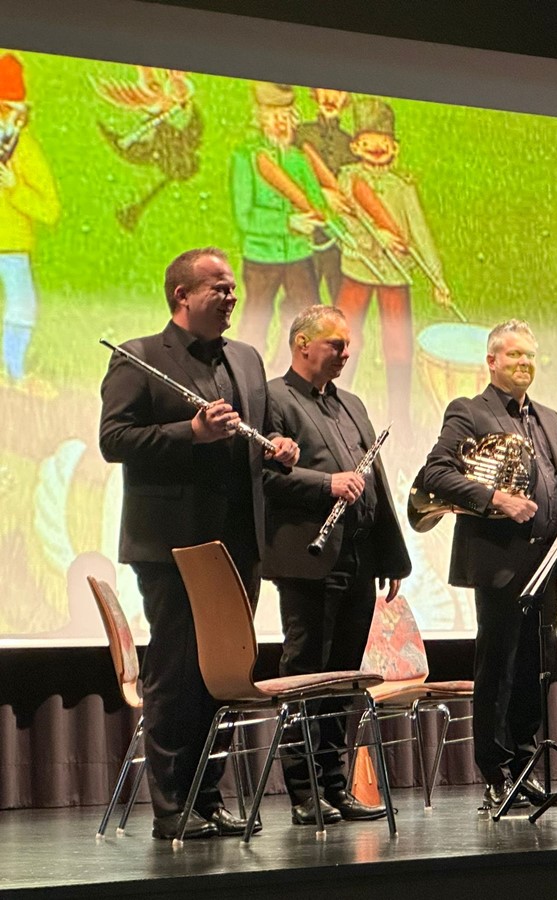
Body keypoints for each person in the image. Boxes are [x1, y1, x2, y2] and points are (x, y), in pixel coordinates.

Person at [99, 247, 300, 839]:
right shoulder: (138, 357)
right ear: (181, 295)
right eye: (219, 288)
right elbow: (115, 439)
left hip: (240, 547)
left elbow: (258, 436)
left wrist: (279, 449)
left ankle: (208, 798)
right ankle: (173, 808)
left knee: (224, 676)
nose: (231, 297)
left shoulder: (246, 358)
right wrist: (190, 431)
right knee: (178, 674)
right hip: (173, 547)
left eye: (233, 288)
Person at [420, 318, 557, 811]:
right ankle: (496, 773)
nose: (524, 363)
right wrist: (496, 499)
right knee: (499, 670)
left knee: (536, 669)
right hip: (499, 563)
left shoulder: (550, 419)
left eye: (530, 356)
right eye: (514, 355)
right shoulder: (469, 411)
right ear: (491, 361)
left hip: (547, 564)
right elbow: (435, 473)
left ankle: (524, 767)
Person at [262, 305, 412, 823]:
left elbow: (375, 480)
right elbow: (265, 478)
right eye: (335, 344)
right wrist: (326, 484)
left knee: (345, 680)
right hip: (307, 559)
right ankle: (304, 793)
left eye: (348, 345)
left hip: (358, 558)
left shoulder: (352, 404)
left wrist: (389, 554)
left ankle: (334, 784)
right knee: (306, 676)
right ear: (303, 344)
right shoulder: (273, 399)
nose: (346, 353)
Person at [335, 98, 451, 436]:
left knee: (398, 342)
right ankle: (332, 404)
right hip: (358, 269)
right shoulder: (347, 179)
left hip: (394, 274)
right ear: (356, 146)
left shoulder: (402, 188)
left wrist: (437, 279)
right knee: (345, 335)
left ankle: (400, 416)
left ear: (394, 148)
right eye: (368, 141)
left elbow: (420, 234)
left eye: (383, 141)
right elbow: (344, 221)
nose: (376, 147)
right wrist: (374, 237)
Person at [231, 82, 325, 371]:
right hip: (261, 255)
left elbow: (317, 202)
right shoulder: (245, 158)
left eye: (286, 116)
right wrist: (288, 222)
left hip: (299, 254)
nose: (281, 123)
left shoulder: (298, 160)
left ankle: (295, 372)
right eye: (274, 117)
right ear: (261, 119)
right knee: (257, 318)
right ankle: (245, 374)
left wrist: (317, 217)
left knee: (308, 317)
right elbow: (244, 216)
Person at [0, 52, 60, 391]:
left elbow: (49, 209)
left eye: (17, 112)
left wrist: (15, 188)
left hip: (13, 246)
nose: (11, 120)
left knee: (22, 307)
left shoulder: (27, 150)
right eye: (5, 110)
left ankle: (14, 373)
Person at [294, 88, 355, 302]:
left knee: (340, 295)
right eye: (325, 91)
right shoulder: (300, 134)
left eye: (338, 92)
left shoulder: (350, 144)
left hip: (338, 236)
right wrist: (321, 194)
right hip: (305, 231)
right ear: (315, 93)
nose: (330, 98)